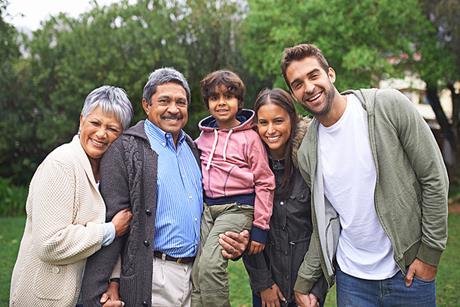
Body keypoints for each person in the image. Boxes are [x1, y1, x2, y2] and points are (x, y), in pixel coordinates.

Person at [280, 43, 449, 307]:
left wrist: (429, 254)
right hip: (352, 282)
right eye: (298, 84)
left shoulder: (387, 106)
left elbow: (434, 178)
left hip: (407, 274)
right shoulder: (307, 152)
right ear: (293, 94)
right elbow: (326, 219)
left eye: (314, 75)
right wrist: (304, 279)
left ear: (330, 74)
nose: (309, 87)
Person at [80, 68, 250, 307]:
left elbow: (214, 211)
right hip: (152, 277)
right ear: (147, 105)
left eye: (181, 102)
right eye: (164, 101)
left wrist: (235, 242)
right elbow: (112, 222)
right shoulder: (125, 149)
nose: (174, 109)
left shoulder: (194, 148)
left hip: (195, 277)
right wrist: (108, 284)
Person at [9, 86, 134, 307]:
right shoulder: (61, 164)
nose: (101, 134)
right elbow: (49, 244)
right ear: (82, 119)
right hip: (46, 298)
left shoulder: (108, 171)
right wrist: (110, 230)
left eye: (112, 128)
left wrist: (112, 281)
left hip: (85, 296)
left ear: (122, 134)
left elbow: (110, 241)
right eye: (95, 123)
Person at [191, 70, 275, 307]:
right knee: (197, 269)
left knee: (211, 265)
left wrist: (260, 228)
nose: (221, 103)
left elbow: (265, 182)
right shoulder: (203, 139)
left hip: (237, 209)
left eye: (228, 97)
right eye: (215, 98)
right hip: (208, 210)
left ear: (239, 102)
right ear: (208, 103)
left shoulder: (250, 138)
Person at [243, 88, 328, 307]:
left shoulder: (311, 164)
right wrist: (263, 285)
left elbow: (327, 229)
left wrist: (315, 289)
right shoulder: (248, 169)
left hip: (307, 290)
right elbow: (243, 228)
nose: (270, 130)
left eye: (278, 121)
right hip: (268, 293)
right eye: (263, 122)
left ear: (292, 119)